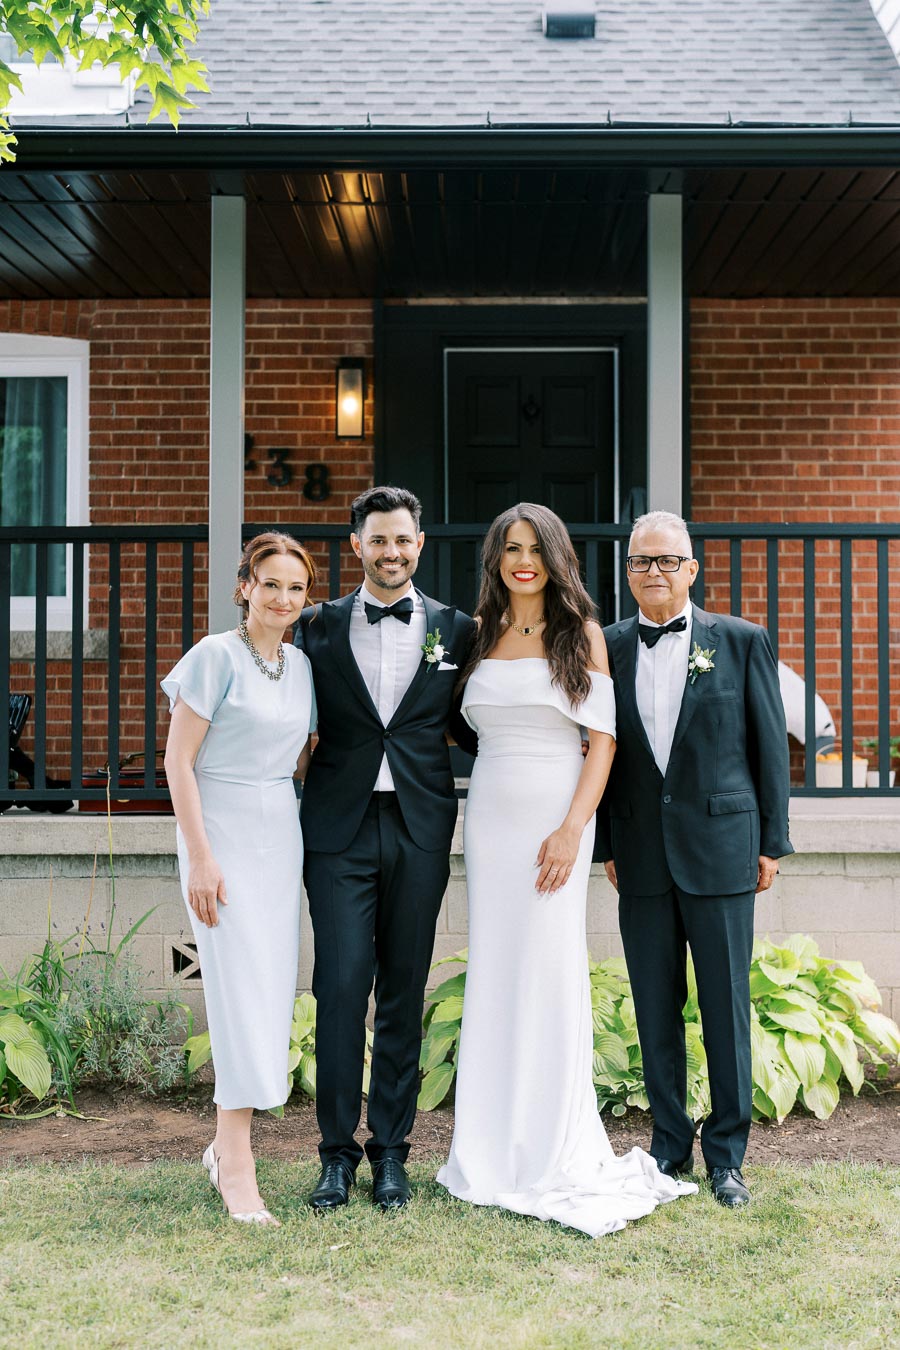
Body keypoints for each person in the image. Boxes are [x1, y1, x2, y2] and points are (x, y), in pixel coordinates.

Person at [437, 503, 696, 1238]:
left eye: (536, 549)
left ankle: (549, 1140)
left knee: (548, 968)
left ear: (556, 558)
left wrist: (572, 827)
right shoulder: (477, 634)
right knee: (497, 967)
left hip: (558, 817)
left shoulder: (578, 634)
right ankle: (489, 1145)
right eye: (510, 549)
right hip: (489, 817)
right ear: (496, 559)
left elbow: (604, 741)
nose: (524, 562)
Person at [597, 510, 793, 1209]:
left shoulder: (740, 642)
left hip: (723, 850)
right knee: (655, 1007)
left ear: (691, 569)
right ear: (628, 574)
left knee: (724, 1006)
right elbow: (598, 752)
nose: (656, 571)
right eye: (643, 561)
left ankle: (728, 1155)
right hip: (640, 856)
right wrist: (606, 845)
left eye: (667, 560)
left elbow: (769, 744)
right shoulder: (607, 646)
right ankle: (669, 1146)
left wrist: (772, 840)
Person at [295, 485, 477, 1212]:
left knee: (404, 990)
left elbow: (482, 717)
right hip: (336, 830)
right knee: (340, 988)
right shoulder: (317, 626)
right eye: (378, 541)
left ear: (420, 545)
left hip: (420, 825)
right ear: (356, 547)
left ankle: (392, 1154)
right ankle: (335, 1156)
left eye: (402, 540)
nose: (391, 552)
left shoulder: (458, 630)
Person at [162, 532, 317, 1226]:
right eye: (271, 584)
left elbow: (302, 755)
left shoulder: (303, 665)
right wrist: (200, 855)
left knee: (268, 987)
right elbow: (177, 763)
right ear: (244, 587)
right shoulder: (214, 656)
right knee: (232, 989)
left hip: (277, 832)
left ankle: (226, 1145)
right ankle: (235, 1156)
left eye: (296, 588)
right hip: (218, 830)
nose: (283, 598)